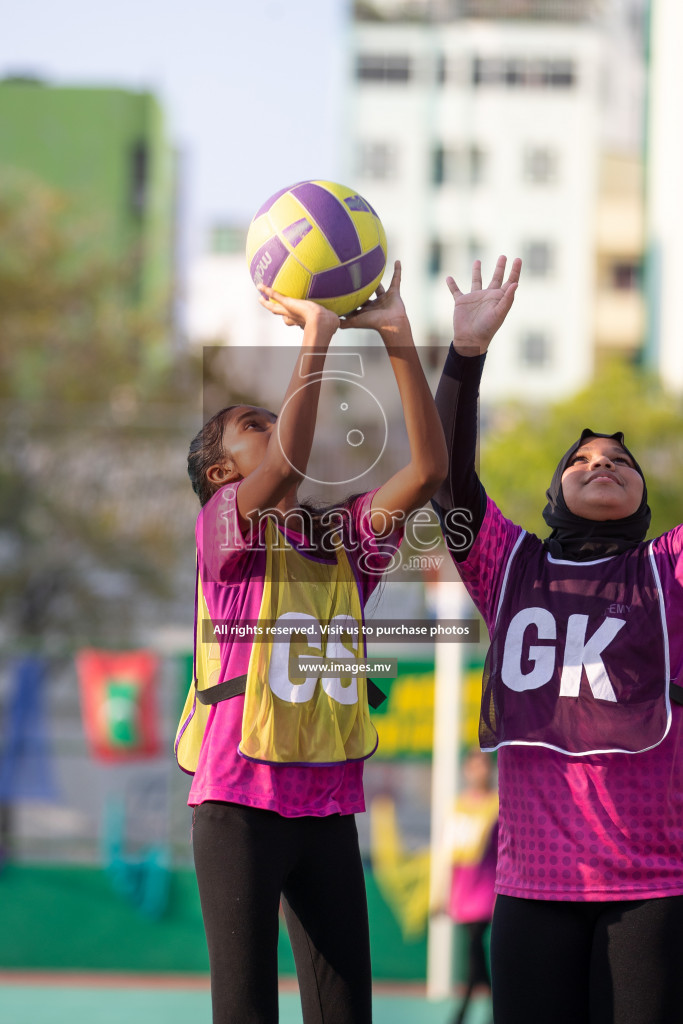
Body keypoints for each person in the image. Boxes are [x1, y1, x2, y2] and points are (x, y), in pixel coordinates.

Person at [175, 262, 447, 1024]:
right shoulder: (223, 532)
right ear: (224, 472)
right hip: (238, 800)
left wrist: (396, 335)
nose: (276, 428)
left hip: (325, 802)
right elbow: (290, 460)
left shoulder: (340, 538)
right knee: (246, 1007)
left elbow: (427, 471)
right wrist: (319, 336)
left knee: (343, 1012)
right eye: (253, 425)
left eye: (275, 416)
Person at [432, 255, 683, 1024]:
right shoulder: (508, 564)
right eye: (579, 460)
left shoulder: (668, 568)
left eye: (616, 460)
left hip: (652, 890)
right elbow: (448, 482)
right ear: (553, 493)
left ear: (643, 494)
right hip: (532, 888)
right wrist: (464, 356)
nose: (598, 462)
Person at [442, 749, 498, 1024]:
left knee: (475, 951)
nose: (480, 771)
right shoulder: (459, 805)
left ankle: (462, 1013)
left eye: (484, 765)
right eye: (474, 766)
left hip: (488, 891)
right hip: (464, 893)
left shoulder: (498, 804)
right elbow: (452, 855)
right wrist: (445, 895)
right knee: (476, 955)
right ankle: (493, 1009)